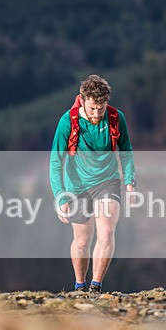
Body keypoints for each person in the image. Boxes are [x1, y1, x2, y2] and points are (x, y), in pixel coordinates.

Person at [49, 74, 136, 294]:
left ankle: (95, 288)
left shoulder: (116, 118)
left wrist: (129, 182)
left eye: (101, 108)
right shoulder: (68, 122)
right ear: (83, 100)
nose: (97, 113)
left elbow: (125, 151)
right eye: (92, 108)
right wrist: (60, 195)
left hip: (107, 181)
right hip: (76, 186)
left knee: (106, 232)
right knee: (82, 241)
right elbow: (56, 161)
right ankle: (80, 286)